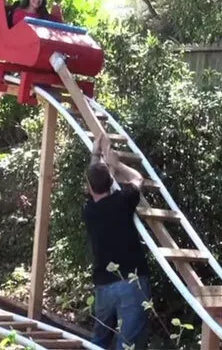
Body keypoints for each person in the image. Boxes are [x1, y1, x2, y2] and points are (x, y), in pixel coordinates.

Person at [83, 134, 151, 349]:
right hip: (132, 281)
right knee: (128, 344)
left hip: (104, 285)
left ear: (90, 188)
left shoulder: (89, 211)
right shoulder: (123, 201)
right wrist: (117, 164)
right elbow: (138, 178)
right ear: (112, 182)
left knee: (99, 340)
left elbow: (95, 179)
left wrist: (96, 153)